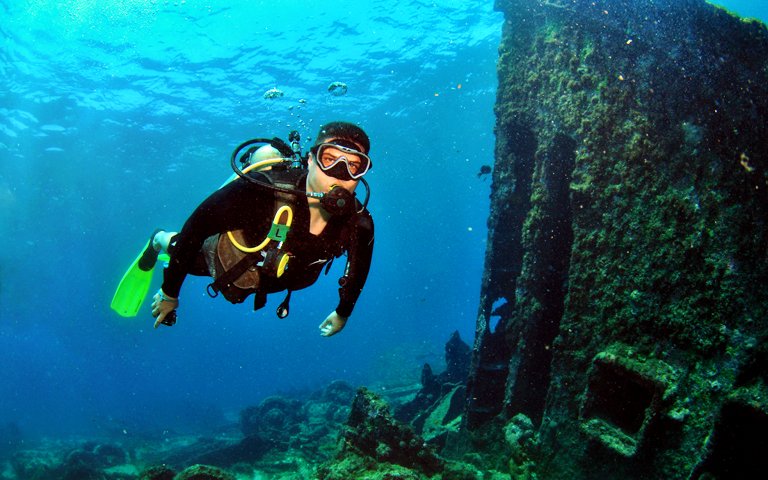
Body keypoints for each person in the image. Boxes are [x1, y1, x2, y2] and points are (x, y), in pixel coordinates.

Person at [146, 121, 374, 336]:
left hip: (278, 278)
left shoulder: (359, 222)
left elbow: (358, 271)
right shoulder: (259, 192)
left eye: (354, 165)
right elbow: (195, 230)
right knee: (180, 247)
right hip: (230, 263)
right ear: (311, 160)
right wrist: (169, 293)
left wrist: (343, 313)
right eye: (329, 159)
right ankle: (158, 239)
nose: (341, 173)